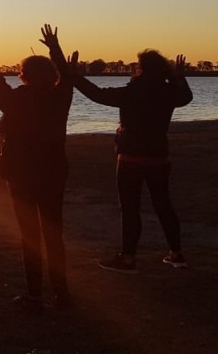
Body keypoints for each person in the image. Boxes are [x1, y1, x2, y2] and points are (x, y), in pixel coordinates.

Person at [0, 23, 76, 312]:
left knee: (30, 235)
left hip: (22, 175)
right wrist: (56, 49)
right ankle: (61, 293)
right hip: (52, 174)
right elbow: (68, 78)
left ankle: (35, 294)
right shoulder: (60, 98)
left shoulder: (15, 100)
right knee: (53, 233)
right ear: (51, 75)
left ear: (23, 75)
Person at [71, 50, 193, 273]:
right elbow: (186, 97)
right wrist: (178, 77)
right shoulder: (168, 92)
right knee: (163, 205)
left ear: (141, 69)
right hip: (159, 157)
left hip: (131, 157)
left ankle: (128, 258)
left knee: (130, 208)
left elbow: (97, 94)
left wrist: (74, 77)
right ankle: (176, 254)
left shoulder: (132, 92)